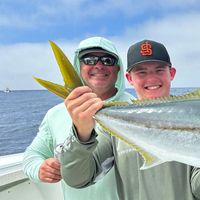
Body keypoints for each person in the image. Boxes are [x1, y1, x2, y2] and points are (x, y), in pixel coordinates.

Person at [60, 39, 200, 200]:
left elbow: (199, 191)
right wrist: (82, 133)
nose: (151, 79)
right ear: (129, 79)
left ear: (172, 73)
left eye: (159, 70)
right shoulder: (113, 129)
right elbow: (78, 179)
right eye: (141, 72)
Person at [23, 36, 133, 200]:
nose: (99, 65)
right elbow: (31, 155)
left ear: (118, 69)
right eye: (89, 59)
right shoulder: (56, 114)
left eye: (108, 60)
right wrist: (39, 168)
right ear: (78, 66)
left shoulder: (137, 108)